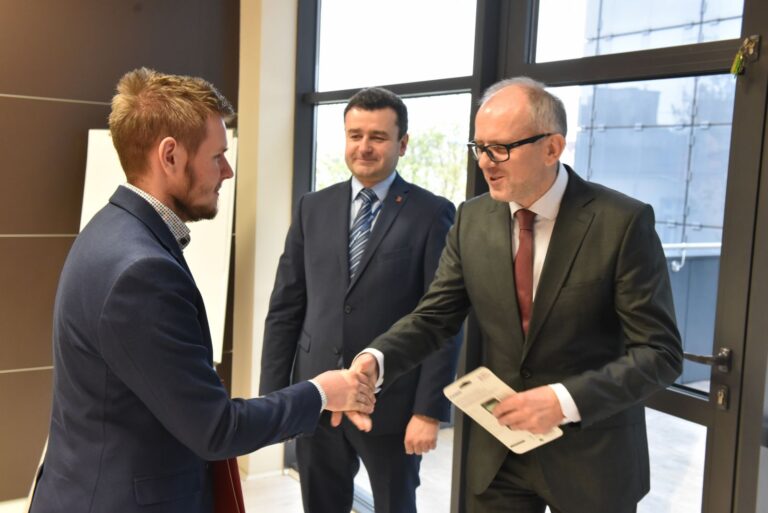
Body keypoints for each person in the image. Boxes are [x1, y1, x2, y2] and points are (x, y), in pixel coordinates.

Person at [29, 68, 374, 513]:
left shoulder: (109, 229)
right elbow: (216, 430)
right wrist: (322, 391)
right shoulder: (142, 272)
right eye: (217, 156)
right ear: (170, 155)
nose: (227, 171)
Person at [349, 77, 684, 513]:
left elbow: (660, 354)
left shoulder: (622, 222)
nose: (485, 162)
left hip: (592, 460)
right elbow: (434, 317)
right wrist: (377, 358)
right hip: (499, 455)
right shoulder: (471, 219)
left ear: (552, 147)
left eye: (500, 148)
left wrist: (562, 401)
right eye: (479, 147)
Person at [260, 87, 461, 513]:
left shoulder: (432, 213)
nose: (364, 147)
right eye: (355, 135)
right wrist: (275, 401)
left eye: (378, 137)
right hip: (317, 397)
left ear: (402, 143)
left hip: (393, 405)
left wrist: (428, 411)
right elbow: (285, 309)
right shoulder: (312, 207)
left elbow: (443, 318)